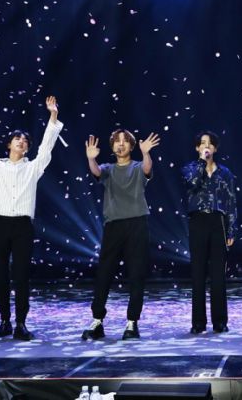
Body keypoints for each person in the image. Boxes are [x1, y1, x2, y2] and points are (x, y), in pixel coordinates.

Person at [0, 94, 63, 341]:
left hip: (23, 225)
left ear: (27, 148)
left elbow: (47, 146)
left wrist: (53, 115)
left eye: (25, 141)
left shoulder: (33, 167)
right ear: (9, 144)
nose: (21, 142)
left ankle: (21, 323)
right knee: (1, 275)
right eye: (17, 139)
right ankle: (5, 322)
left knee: (21, 276)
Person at [81, 129, 159, 341]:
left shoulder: (137, 167)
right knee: (104, 273)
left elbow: (147, 169)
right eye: (117, 141)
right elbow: (97, 172)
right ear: (112, 146)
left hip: (137, 224)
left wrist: (146, 153)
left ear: (132, 146)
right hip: (113, 225)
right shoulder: (108, 169)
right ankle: (97, 321)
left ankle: (132, 322)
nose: (121, 144)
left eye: (125, 141)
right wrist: (91, 159)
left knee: (136, 273)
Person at [182, 130, 237, 334]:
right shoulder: (189, 169)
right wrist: (201, 163)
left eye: (210, 144)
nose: (207, 146)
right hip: (198, 220)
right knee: (198, 273)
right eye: (203, 143)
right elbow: (193, 183)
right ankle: (198, 322)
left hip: (218, 221)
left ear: (215, 148)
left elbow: (231, 202)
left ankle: (220, 321)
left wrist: (231, 229)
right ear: (197, 147)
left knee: (218, 275)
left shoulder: (225, 173)